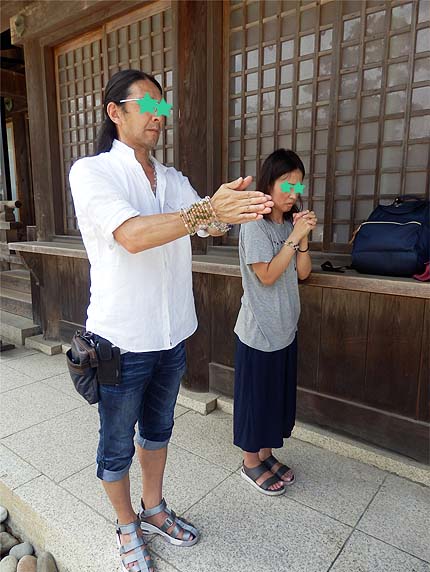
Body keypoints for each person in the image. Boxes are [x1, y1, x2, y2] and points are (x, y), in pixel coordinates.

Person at [69, 69, 273, 572]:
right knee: (115, 443)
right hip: (120, 339)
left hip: (172, 334)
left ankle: (154, 507)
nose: (160, 117)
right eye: (149, 106)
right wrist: (204, 211)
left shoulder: (173, 179)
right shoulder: (92, 172)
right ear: (116, 112)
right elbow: (133, 235)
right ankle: (125, 524)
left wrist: (226, 209)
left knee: (158, 430)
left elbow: (207, 223)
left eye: (164, 108)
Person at [233, 149, 317, 496]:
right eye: (287, 183)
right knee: (256, 399)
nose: (293, 191)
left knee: (274, 399)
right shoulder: (254, 225)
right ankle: (250, 461)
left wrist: (302, 238)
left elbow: (303, 272)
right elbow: (266, 275)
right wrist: (294, 238)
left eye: (298, 184)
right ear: (269, 181)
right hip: (258, 330)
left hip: (285, 326)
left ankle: (266, 455)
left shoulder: (289, 224)